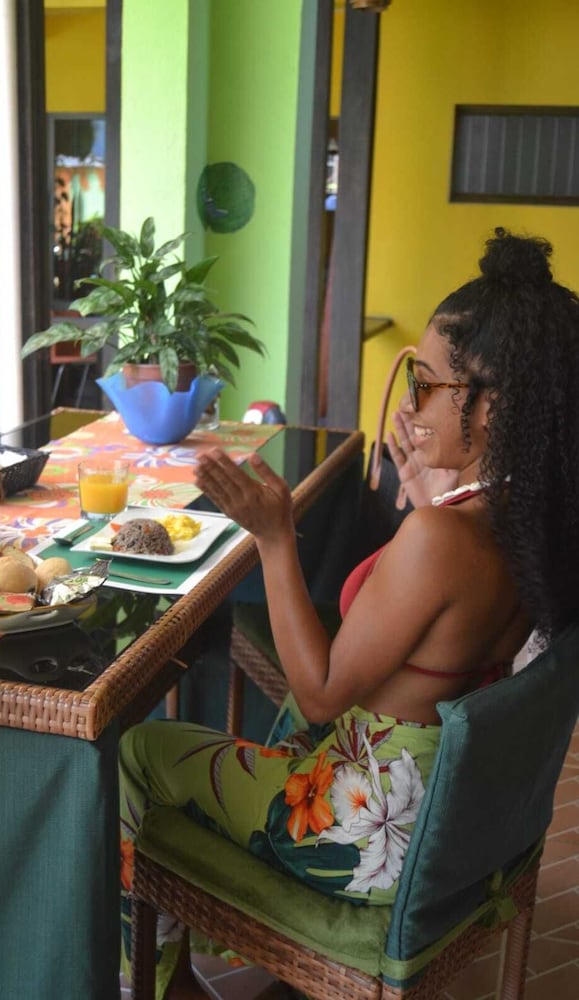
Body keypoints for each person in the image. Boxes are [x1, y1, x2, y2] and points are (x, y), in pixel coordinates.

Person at [119, 229, 579, 998]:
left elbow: (318, 695)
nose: (410, 405)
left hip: (356, 831)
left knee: (137, 750)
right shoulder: (532, 523)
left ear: (492, 405)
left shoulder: (440, 540)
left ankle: (159, 985)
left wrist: (274, 539)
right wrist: (429, 505)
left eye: (425, 384)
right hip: (445, 826)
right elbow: (453, 609)